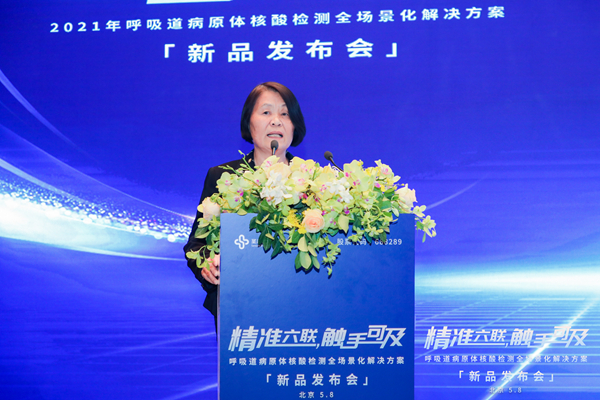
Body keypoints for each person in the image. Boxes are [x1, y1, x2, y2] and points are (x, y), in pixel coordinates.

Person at [183, 82, 306, 331]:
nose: (276, 121)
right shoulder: (223, 177)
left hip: (304, 302)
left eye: (285, 114)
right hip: (239, 305)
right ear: (249, 123)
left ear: (295, 126)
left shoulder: (313, 180)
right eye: (266, 112)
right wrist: (208, 265)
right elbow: (197, 244)